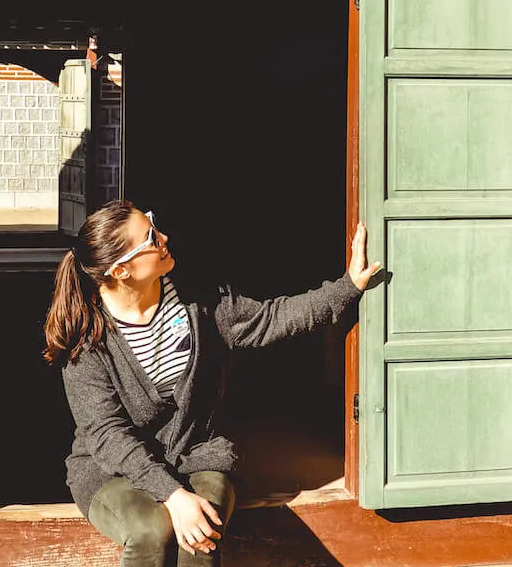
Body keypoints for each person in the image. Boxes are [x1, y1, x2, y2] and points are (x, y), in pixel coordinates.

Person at [44, 200, 380, 566]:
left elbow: (269, 319)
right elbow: (107, 434)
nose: (164, 238)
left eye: (154, 224)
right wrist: (172, 494)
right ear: (122, 270)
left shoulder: (197, 299)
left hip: (196, 453)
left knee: (202, 527)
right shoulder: (87, 337)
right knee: (149, 530)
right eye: (151, 237)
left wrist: (349, 287)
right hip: (115, 470)